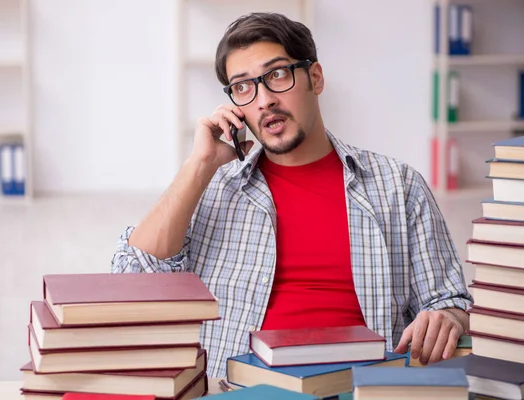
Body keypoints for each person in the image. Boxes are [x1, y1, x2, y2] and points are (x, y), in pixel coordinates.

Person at [111, 12, 473, 378]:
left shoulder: (398, 185)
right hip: (243, 388)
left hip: (365, 385)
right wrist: (199, 164)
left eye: (277, 75)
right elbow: (132, 283)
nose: (264, 100)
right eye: (243, 87)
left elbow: (449, 300)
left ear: (315, 78)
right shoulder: (213, 187)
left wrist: (446, 318)